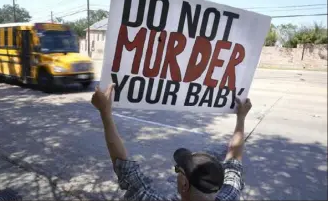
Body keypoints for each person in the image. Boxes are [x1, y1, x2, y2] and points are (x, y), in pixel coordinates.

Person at [91, 83, 252, 201]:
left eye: (178, 170)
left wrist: (105, 112)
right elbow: (234, 159)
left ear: (184, 185)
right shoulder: (229, 195)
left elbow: (126, 170)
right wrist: (241, 118)